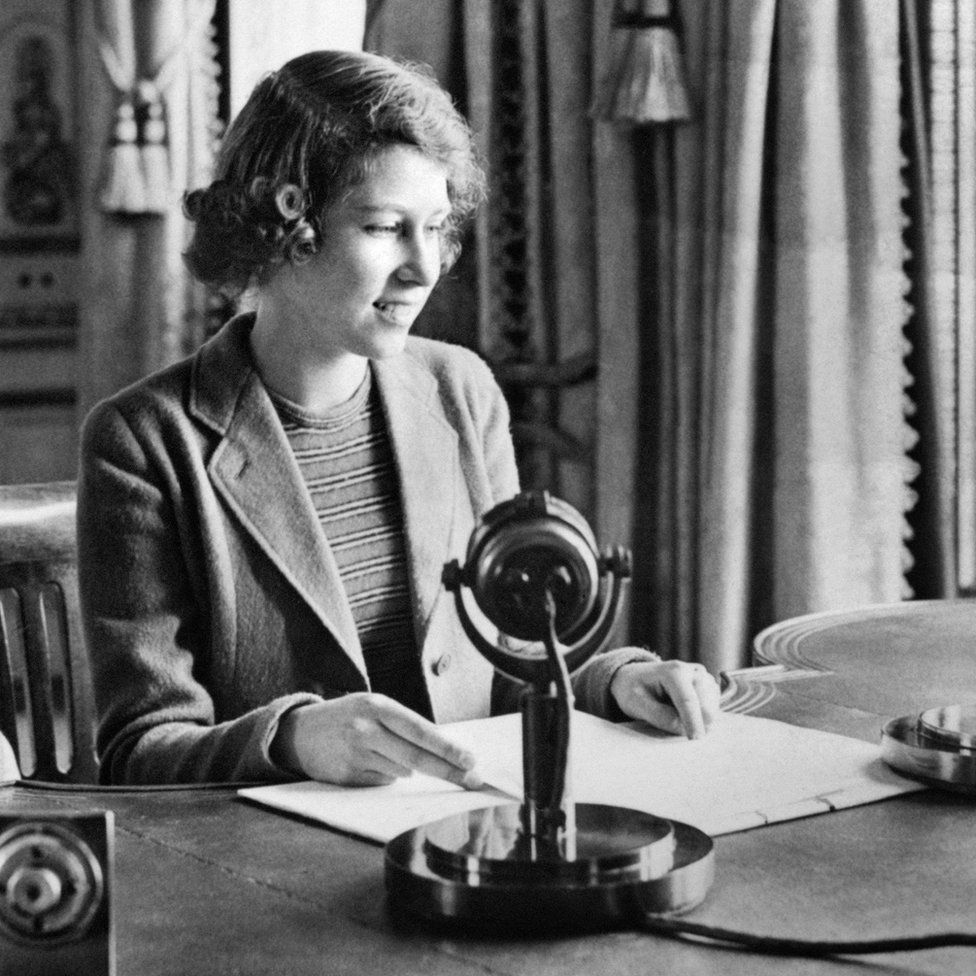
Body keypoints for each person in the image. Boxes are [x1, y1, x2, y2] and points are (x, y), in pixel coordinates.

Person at [77, 50, 719, 787]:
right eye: (386, 228)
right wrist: (292, 741)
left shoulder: (460, 390)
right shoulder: (142, 441)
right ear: (281, 227)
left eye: (437, 228)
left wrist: (615, 681)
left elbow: (505, 658)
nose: (425, 268)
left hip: (462, 835)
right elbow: (138, 750)